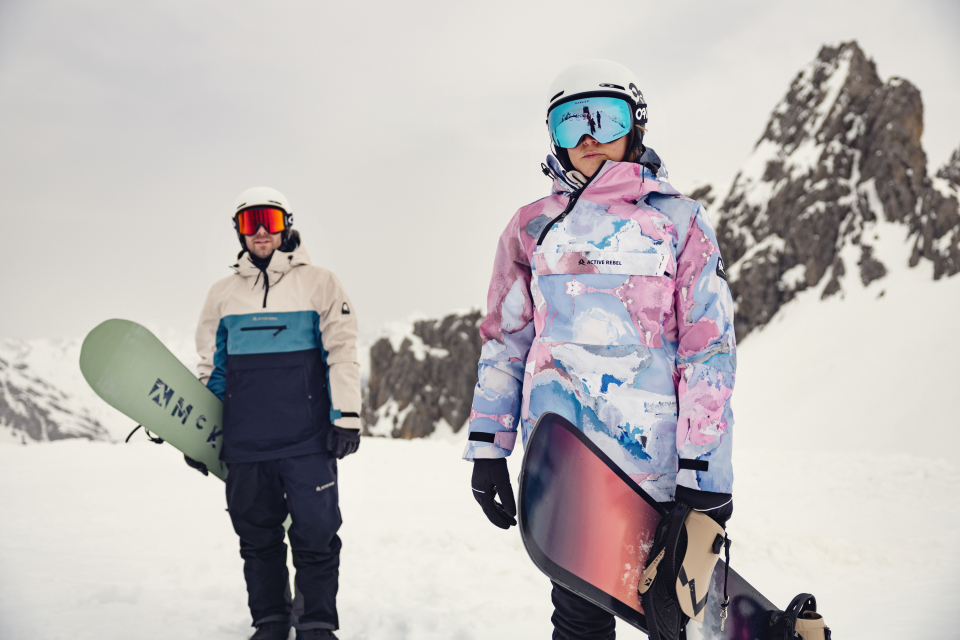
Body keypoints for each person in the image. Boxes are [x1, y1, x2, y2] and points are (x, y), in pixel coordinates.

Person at [464, 60, 736, 640]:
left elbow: (708, 353)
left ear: (634, 125)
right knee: (578, 616)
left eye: (603, 118)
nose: (587, 137)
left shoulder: (678, 221)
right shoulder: (532, 228)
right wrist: (490, 447)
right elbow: (506, 340)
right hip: (569, 460)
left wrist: (705, 477)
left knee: (675, 619)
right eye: (569, 125)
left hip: (660, 469)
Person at [189, 186, 362, 640]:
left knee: (317, 534)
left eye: (268, 219)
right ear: (239, 232)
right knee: (257, 538)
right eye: (250, 222)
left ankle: (317, 622)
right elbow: (213, 368)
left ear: (286, 222)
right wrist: (201, 434)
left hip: (306, 440)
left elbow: (342, 349)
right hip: (247, 443)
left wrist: (346, 415)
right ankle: (269, 619)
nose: (261, 230)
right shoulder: (222, 295)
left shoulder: (320, 282)